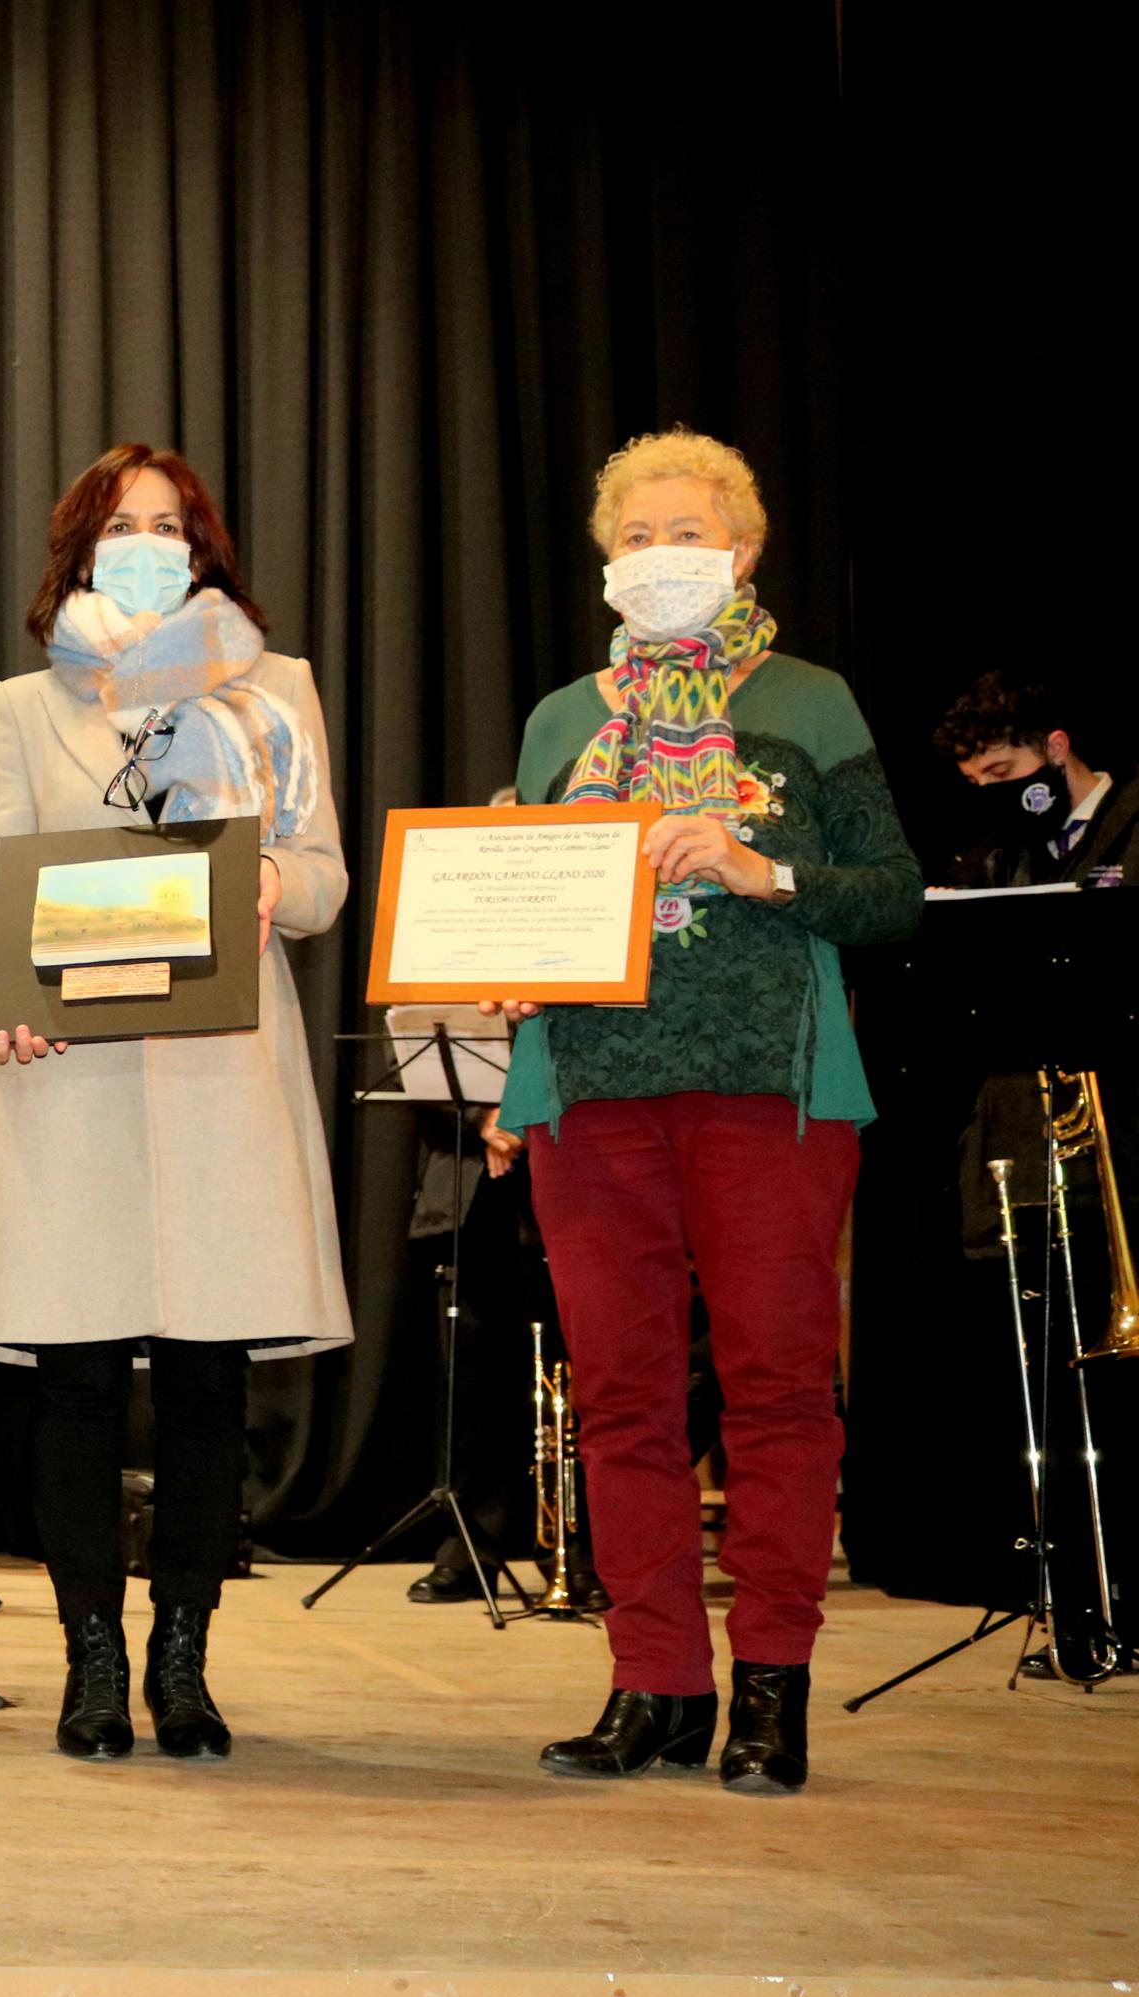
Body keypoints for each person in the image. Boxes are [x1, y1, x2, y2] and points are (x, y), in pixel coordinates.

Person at [492, 429, 920, 1794]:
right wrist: (505, 965)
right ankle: (657, 1683)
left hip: (769, 1089)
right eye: (637, 536)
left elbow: (892, 895)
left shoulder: (810, 700)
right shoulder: (563, 721)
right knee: (620, 1399)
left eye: (688, 533)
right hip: (588, 1091)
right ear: (606, 562)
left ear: (741, 551)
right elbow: (531, 897)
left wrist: (756, 866)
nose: (661, 555)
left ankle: (772, 1689)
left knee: (777, 1390)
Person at [0, 442, 352, 1761]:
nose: (147, 544)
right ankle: (92, 1660)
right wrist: (3, 988)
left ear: (204, 549)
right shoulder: (26, 706)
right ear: (80, 548)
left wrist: (273, 884)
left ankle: (183, 1658)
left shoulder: (274, 687)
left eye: (170, 524)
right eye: (121, 525)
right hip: (69, 1070)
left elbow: (323, 874)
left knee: (205, 1379)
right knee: (74, 1378)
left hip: (219, 1073)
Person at [930, 673, 1131, 888]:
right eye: (974, 782)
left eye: (1000, 771)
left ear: (1056, 748)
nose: (989, 791)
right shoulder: (1001, 859)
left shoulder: (1131, 824)